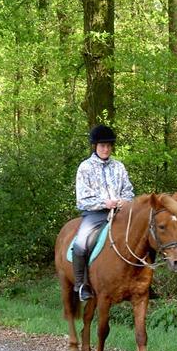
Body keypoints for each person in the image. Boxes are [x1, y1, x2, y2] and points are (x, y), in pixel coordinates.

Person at [72, 124, 135, 301]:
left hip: (120, 212)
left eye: (108, 145)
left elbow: (128, 190)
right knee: (80, 245)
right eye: (102, 145)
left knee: (142, 234)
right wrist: (104, 203)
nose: (106, 149)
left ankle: (141, 282)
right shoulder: (85, 167)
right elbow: (82, 198)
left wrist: (124, 200)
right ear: (95, 146)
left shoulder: (119, 167)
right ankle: (81, 285)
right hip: (95, 214)